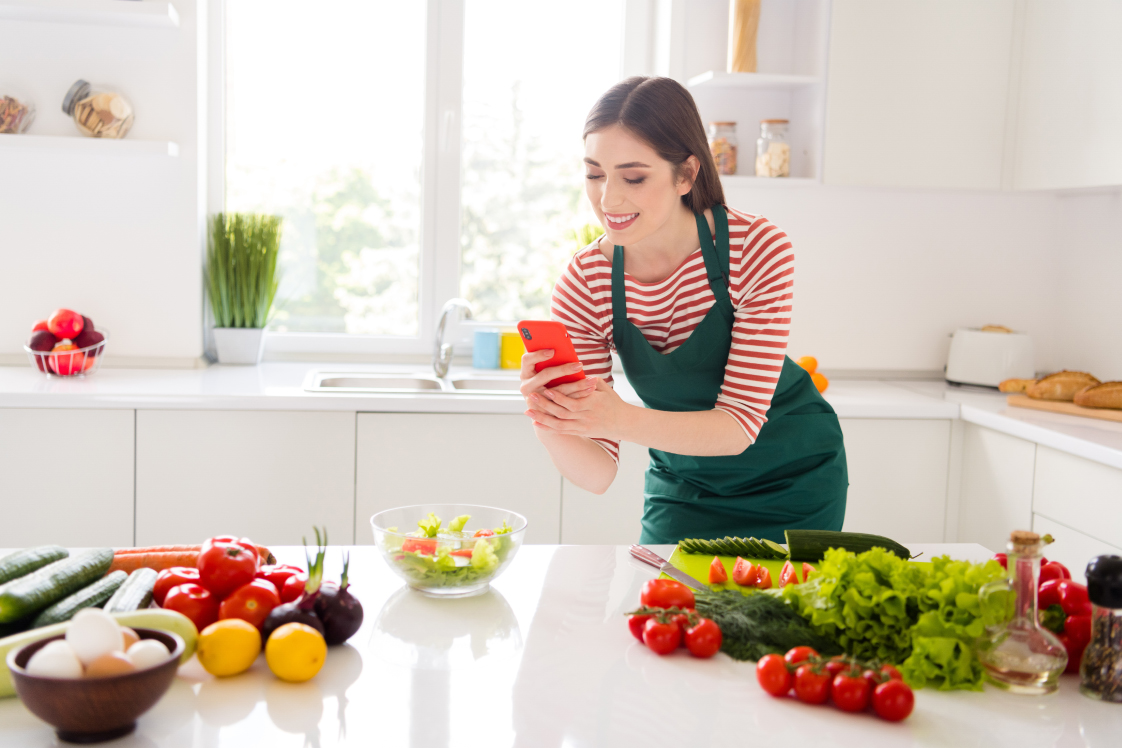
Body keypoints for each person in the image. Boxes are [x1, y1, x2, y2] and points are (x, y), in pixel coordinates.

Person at [518, 76, 847, 545]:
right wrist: (548, 417)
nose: (608, 199)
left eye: (633, 177)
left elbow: (738, 426)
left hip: (794, 477)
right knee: (665, 608)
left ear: (686, 174)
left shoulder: (755, 250)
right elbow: (597, 474)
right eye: (594, 174)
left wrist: (616, 417)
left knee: (781, 616)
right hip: (686, 486)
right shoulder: (586, 283)